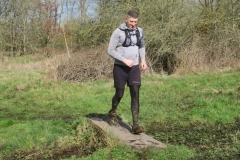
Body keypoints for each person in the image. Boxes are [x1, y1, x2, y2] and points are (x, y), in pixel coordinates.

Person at [107, 10, 147, 134]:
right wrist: (124, 60)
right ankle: (113, 111)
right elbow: (110, 50)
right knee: (119, 94)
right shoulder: (118, 32)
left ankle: (135, 126)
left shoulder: (139, 31)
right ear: (126, 19)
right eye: (131, 21)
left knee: (135, 93)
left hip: (134, 67)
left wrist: (143, 60)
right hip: (120, 67)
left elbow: (141, 46)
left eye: (135, 22)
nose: (133, 24)